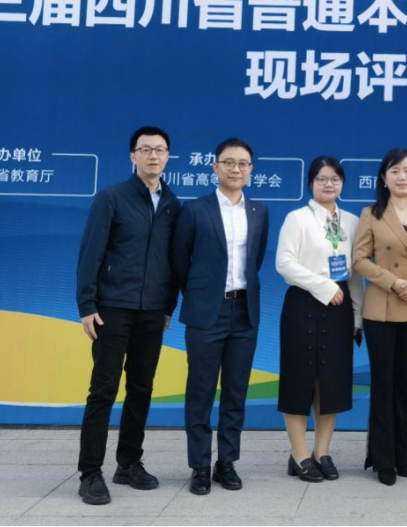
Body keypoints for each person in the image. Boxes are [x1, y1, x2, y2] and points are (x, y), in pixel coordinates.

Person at [76, 126, 180, 506]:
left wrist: (168, 306)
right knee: (103, 390)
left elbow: (173, 261)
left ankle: (129, 463)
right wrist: (87, 305)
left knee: (142, 388)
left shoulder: (172, 204)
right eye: (146, 149)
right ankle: (90, 472)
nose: (153, 156)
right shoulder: (112, 198)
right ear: (132, 156)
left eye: (160, 150)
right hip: (112, 309)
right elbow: (91, 254)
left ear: (168, 157)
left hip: (152, 312)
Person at [172, 138, 269, 495]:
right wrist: (200, 294)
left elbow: (255, 260)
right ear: (215, 167)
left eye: (243, 163)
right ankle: (199, 465)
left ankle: (226, 462)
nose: (236, 169)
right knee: (200, 390)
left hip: (244, 311)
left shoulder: (259, 211)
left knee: (235, 391)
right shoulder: (195, 210)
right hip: (205, 312)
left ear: (251, 170)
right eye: (229, 162)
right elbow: (179, 261)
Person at [352, 148, 407, 486]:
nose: (402, 177)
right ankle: (382, 460)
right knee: (383, 384)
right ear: (384, 178)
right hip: (382, 308)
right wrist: (394, 282)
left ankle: (403, 457)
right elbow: (360, 260)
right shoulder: (371, 214)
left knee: (404, 384)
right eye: (395, 171)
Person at [274, 157, 364, 482]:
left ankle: (322, 452)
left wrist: (357, 315)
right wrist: (323, 286)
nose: (329, 184)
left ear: (342, 183)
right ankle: (299, 454)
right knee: (299, 380)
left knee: (331, 383)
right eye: (322, 179)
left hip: (339, 309)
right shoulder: (297, 218)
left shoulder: (352, 221)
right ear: (310, 183)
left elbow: (355, 273)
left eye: (335, 179)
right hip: (303, 304)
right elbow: (284, 263)